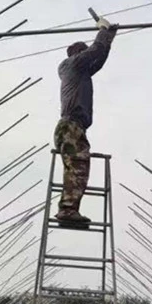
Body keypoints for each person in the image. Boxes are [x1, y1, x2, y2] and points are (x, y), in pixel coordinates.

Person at [54, 15, 119, 227]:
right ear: (77, 54)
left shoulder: (81, 72)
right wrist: (102, 32)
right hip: (70, 126)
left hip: (74, 127)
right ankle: (67, 210)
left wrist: (107, 37)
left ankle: (69, 209)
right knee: (77, 168)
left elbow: (98, 59)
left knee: (79, 168)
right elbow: (95, 52)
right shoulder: (70, 65)